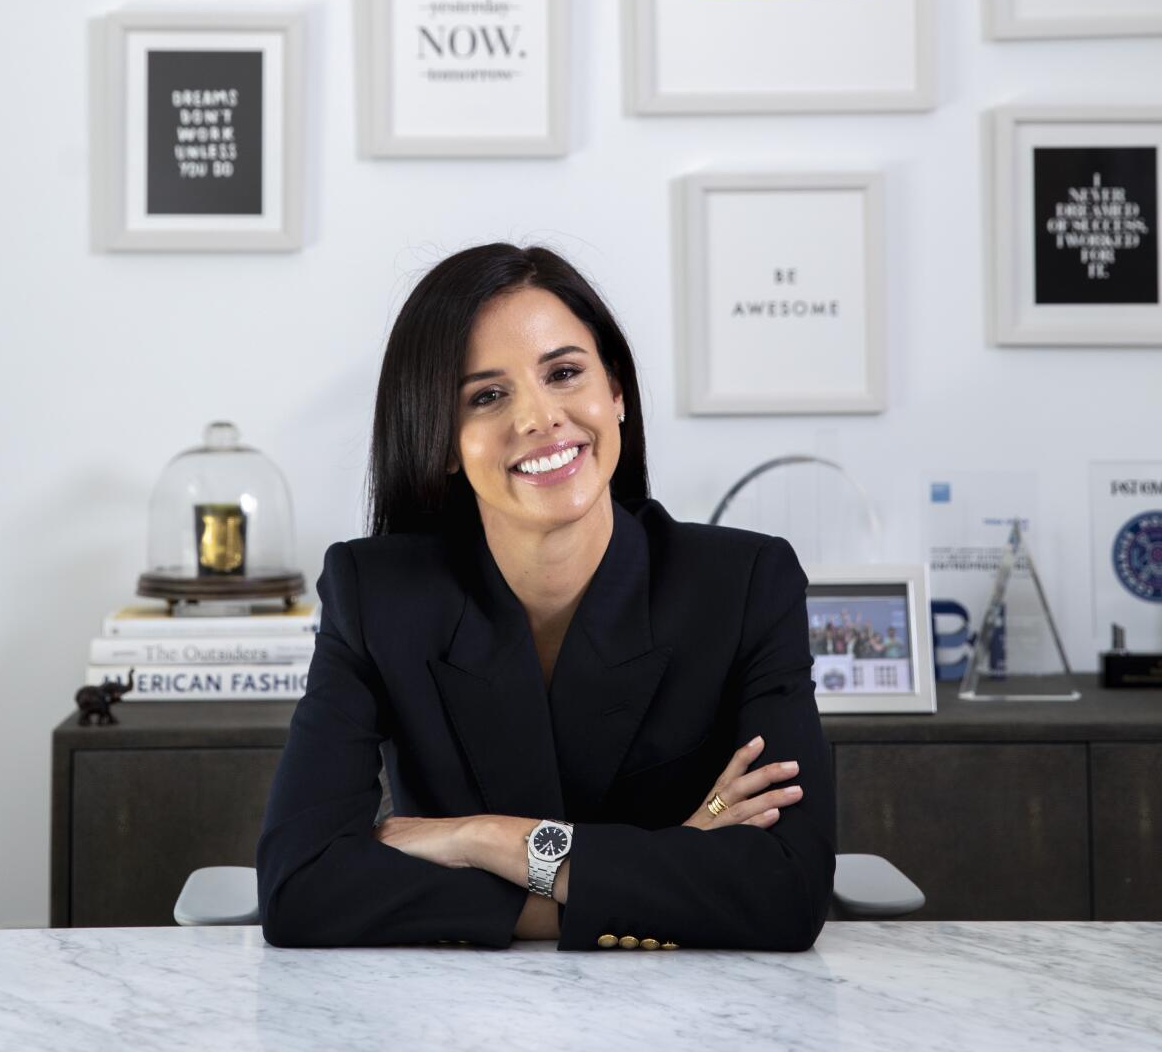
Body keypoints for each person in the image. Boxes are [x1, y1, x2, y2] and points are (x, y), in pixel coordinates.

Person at [256, 243, 836, 951]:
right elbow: (300, 889)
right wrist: (657, 869)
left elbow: (786, 889)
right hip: (460, 1017)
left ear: (615, 392)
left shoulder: (747, 584)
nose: (540, 417)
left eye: (564, 373)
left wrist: (483, 839)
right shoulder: (374, 595)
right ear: (442, 439)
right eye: (487, 395)